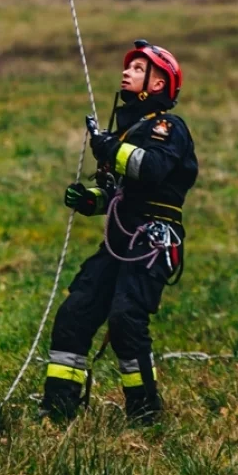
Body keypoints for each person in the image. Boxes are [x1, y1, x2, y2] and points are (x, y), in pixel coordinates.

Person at [39, 39, 199, 425]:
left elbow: (152, 170)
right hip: (119, 240)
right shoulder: (128, 132)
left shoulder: (167, 127)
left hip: (151, 240)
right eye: (129, 68)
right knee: (74, 313)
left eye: (138, 69)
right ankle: (57, 411)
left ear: (158, 84)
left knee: (126, 319)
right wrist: (90, 199)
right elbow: (117, 191)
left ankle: (145, 416)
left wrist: (109, 147)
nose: (126, 72)